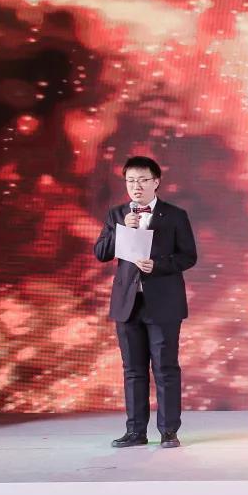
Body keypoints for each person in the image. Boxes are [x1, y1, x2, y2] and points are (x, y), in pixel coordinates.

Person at [94, 156, 197, 449]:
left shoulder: (175, 215)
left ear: (156, 182)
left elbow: (188, 256)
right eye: (130, 181)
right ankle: (135, 431)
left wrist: (159, 265)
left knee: (165, 368)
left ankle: (168, 431)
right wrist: (120, 230)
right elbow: (101, 252)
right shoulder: (117, 214)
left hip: (164, 303)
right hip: (128, 304)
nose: (136, 186)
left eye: (142, 180)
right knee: (133, 370)